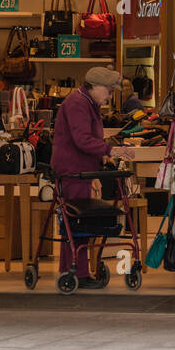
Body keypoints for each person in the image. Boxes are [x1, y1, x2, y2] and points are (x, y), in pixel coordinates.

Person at [51, 67, 135, 289]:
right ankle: (77, 273)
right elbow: (82, 140)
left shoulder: (87, 103)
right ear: (95, 86)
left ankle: (76, 271)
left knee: (77, 222)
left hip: (82, 169)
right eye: (107, 91)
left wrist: (102, 159)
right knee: (77, 223)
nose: (109, 96)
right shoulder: (78, 104)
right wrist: (111, 151)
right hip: (73, 170)